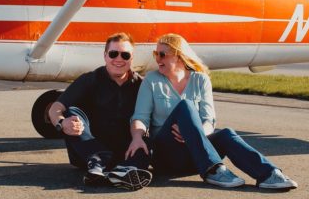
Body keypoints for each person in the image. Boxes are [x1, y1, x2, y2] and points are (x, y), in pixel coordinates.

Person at [123, 33, 298, 190]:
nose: (157, 59)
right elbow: (140, 117)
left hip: (194, 157)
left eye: (162, 54)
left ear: (178, 56)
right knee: (186, 106)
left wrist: (193, 133)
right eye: (156, 54)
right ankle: (214, 169)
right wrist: (137, 138)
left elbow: (209, 121)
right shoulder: (152, 80)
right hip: (167, 156)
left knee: (227, 134)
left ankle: (268, 174)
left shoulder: (201, 80)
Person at [46, 32, 152, 190]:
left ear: (131, 58)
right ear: (105, 56)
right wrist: (62, 123)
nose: (118, 59)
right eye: (113, 53)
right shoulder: (89, 80)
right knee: (72, 112)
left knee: (146, 137)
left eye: (125, 55)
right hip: (88, 152)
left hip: (126, 151)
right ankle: (101, 161)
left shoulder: (142, 85)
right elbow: (55, 108)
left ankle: (124, 171)